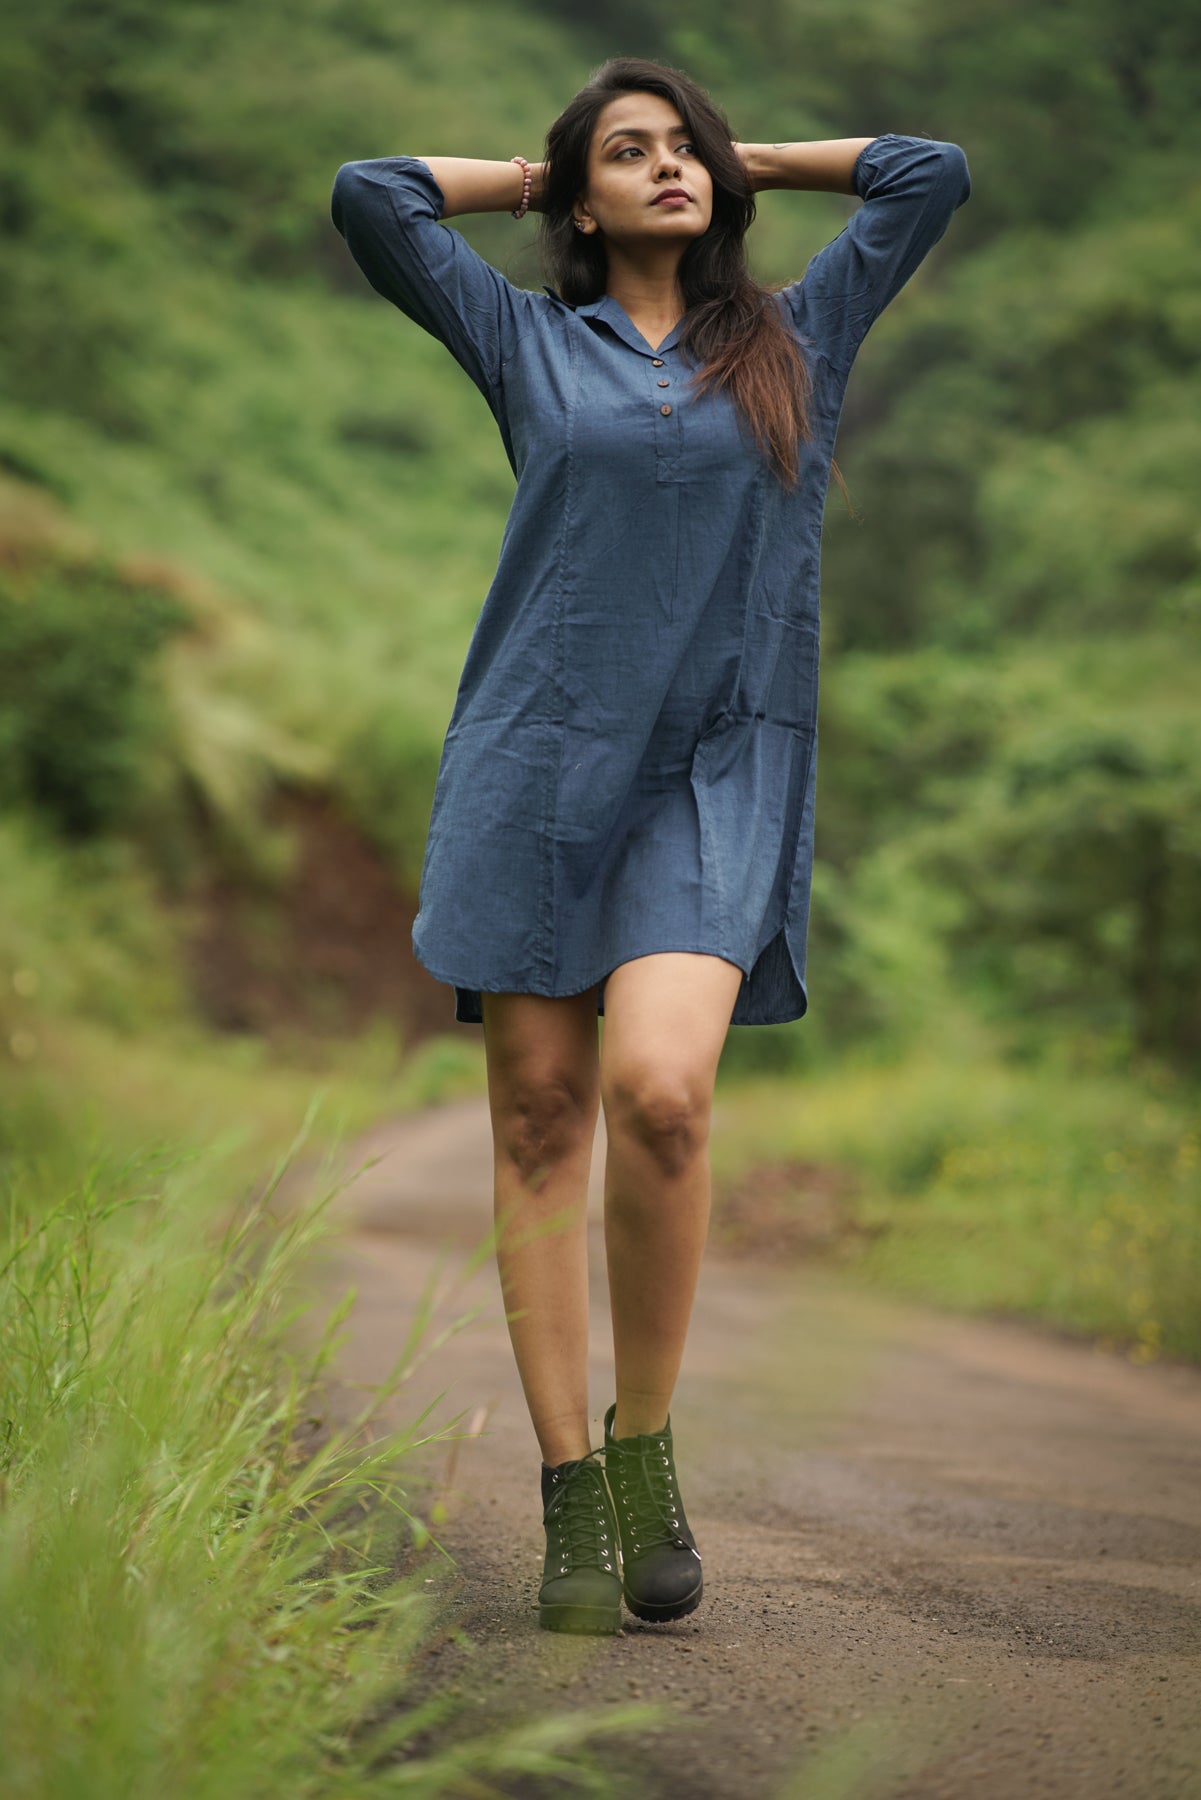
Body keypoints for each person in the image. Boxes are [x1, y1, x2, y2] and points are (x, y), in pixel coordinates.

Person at [331, 56, 970, 1636]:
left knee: (661, 1096)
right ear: (578, 195)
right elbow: (375, 197)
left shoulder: (795, 338)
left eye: (682, 151)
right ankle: (563, 1492)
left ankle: (643, 1444)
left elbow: (927, 172)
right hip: (533, 767)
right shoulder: (527, 343)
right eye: (633, 153)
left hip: (715, 773)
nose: (668, 168)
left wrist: (728, 151)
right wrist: (540, 171)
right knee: (543, 1119)